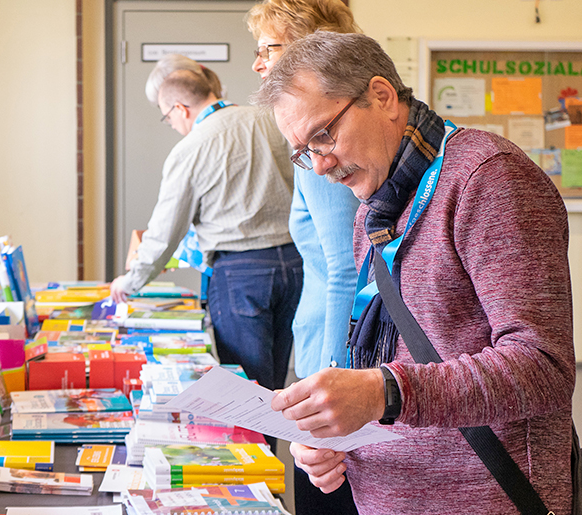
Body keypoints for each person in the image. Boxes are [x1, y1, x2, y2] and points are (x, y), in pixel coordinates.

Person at [255, 31, 574, 514]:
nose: (319, 166)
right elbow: (382, 360)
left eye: (323, 135)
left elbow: (542, 367)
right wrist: (334, 433)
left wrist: (386, 392)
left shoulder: (489, 179)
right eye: (303, 151)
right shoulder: (375, 209)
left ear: (381, 96)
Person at [111, 60, 301, 401]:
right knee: (276, 382)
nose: (171, 126)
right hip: (295, 264)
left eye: (168, 117)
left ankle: (259, 454)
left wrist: (130, 281)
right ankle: (279, 452)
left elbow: (164, 232)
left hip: (241, 275)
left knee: (248, 391)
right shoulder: (270, 119)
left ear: (180, 108)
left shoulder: (191, 147)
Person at [245, 1, 361, 512]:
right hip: (324, 353)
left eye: (267, 48)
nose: (257, 63)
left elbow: (346, 270)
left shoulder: (326, 141)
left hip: (331, 365)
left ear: (305, 46)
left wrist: (327, 384)